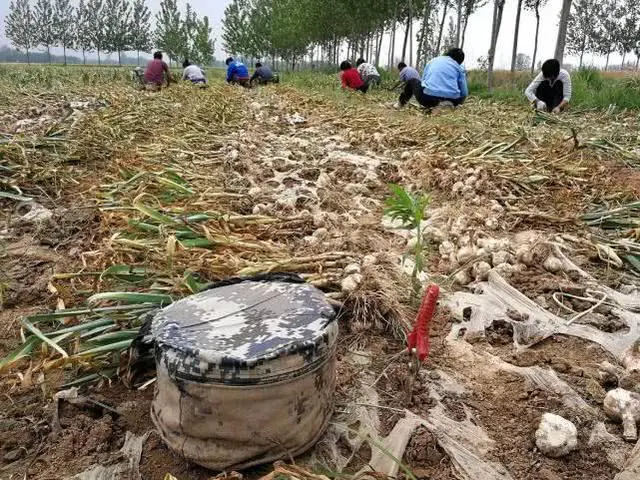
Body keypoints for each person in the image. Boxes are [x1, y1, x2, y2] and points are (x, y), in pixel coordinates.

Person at [398, 48, 468, 109]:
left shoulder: (433, 61)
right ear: (459, 61)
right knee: (457, 93)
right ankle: (447, 104)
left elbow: (423, 82)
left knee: (412, 81)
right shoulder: (459, 67)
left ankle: (400, 104)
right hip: (453, 100)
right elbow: (464, 92)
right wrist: (458, 101)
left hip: (428, 99)